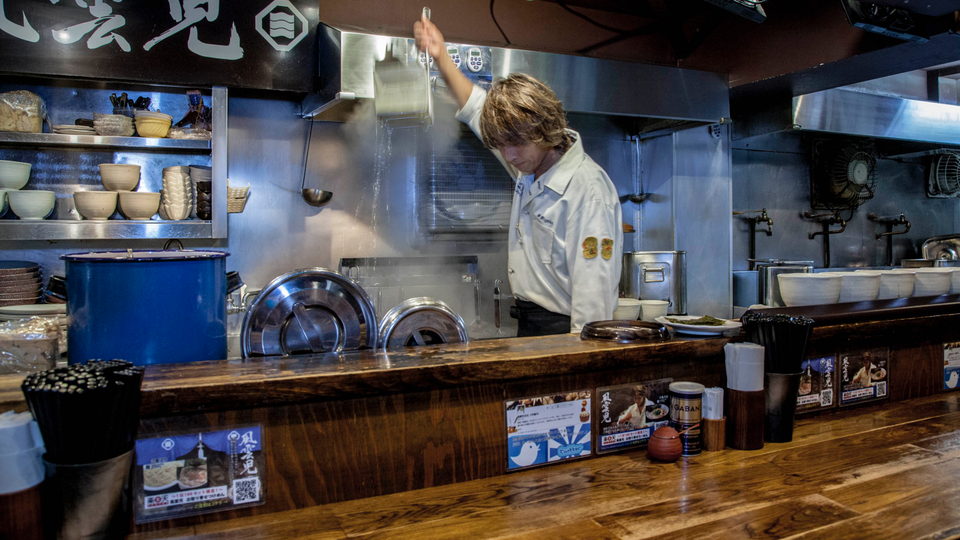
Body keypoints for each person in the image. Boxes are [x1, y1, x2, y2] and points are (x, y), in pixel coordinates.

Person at [414, 15, 623, 337]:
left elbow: (594, 292)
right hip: (531, 323)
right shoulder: (531, 161)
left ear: (543, 129)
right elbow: (475, 106)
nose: (508, 156)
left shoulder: (586, 189)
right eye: (500, 146)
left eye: (515, 145)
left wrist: (583, 368)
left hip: (567, 332)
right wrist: (441, 55)